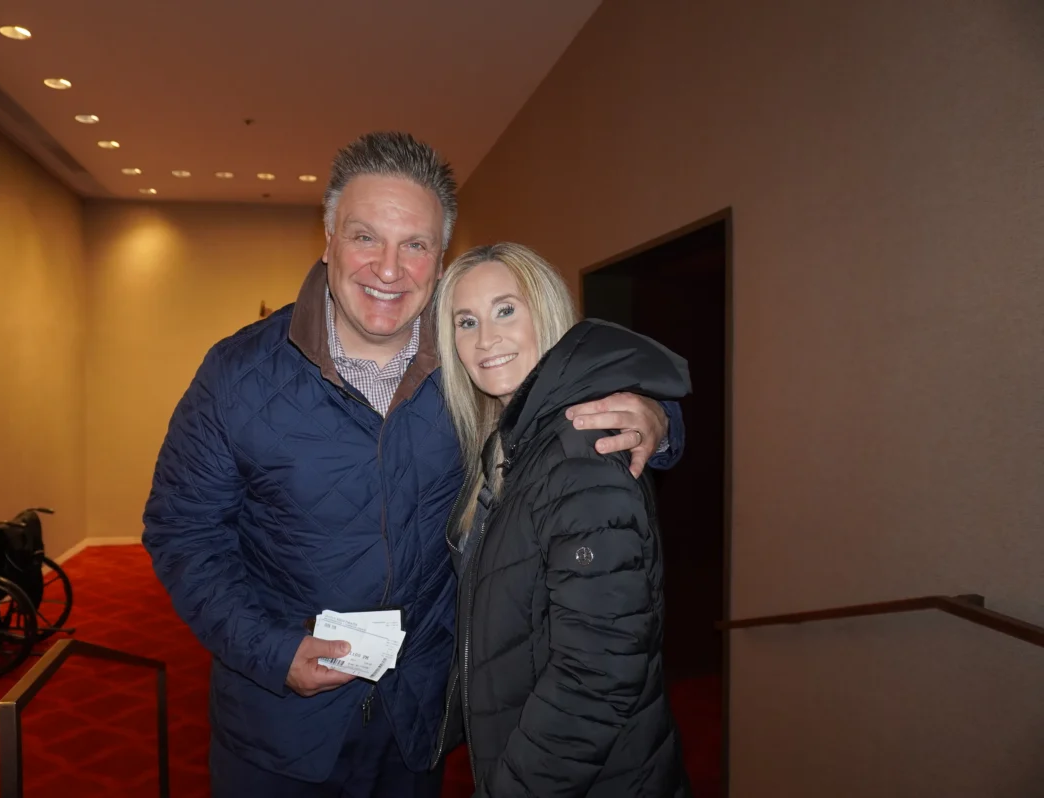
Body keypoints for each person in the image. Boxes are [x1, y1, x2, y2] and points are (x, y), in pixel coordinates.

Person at [140, 132, 686, 797]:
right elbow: (181, 532)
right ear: (329, 241)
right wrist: (269, 651)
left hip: (418, 723)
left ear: (439, 257)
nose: (388, 268)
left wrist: (657, 421)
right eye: (366, 237)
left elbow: (564, 390)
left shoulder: (474, 358)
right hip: (281, 732)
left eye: (416, 244)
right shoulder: (237, 373)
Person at [431, 242, 692, 797]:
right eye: (466, 321)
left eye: (506, 309)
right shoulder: (513, 442)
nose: (486, 339)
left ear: (545, 312)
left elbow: (595, 681)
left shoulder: (583, 454)